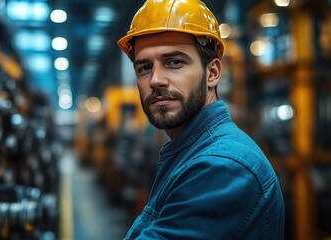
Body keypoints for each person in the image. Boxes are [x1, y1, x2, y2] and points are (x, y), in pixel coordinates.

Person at [117, 0, 285, 239]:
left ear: (213, 73)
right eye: (144, 68)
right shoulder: (190, 152)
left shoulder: (222, 167)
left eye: (174, 62)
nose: (155, 80)